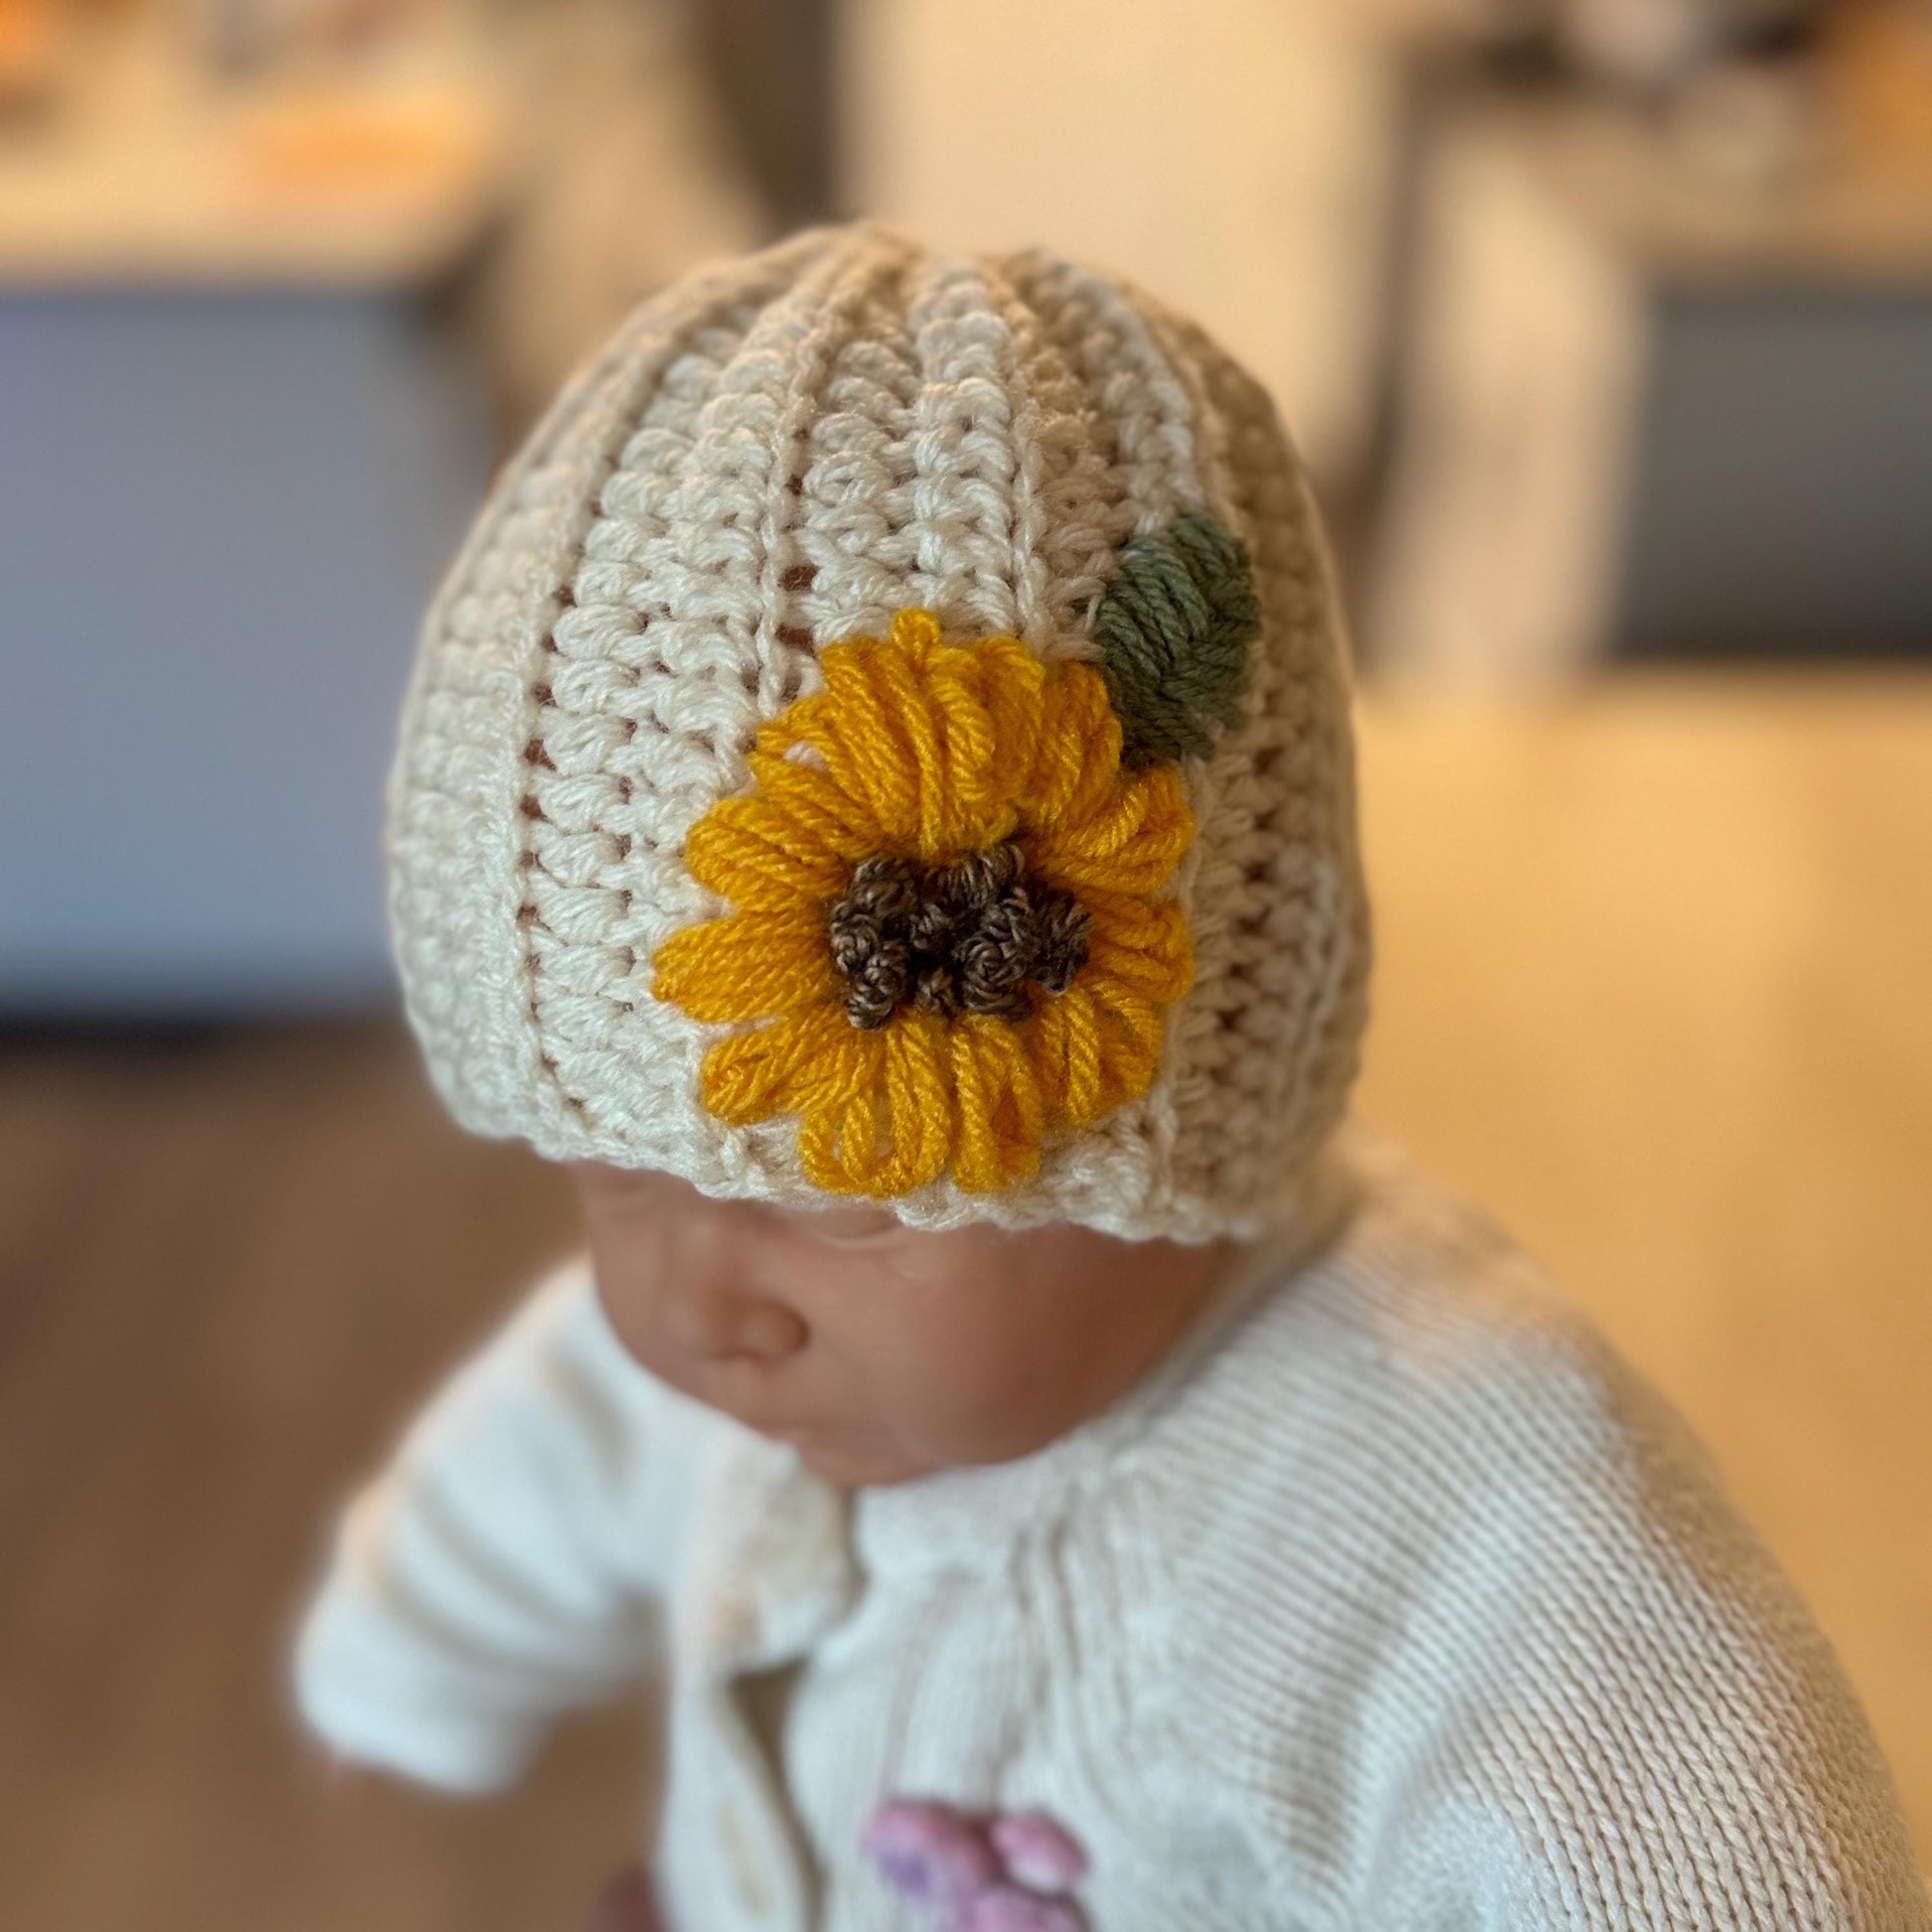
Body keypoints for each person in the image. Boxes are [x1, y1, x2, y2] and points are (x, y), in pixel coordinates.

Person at [295, 224, 1930, 1930]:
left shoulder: (1466, 1525)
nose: (693, 1302)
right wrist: (405, 1660)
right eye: (611, 1166)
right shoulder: (772, 1347)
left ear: (1179, 1124)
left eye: (848, 1200)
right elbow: (551, 1443)